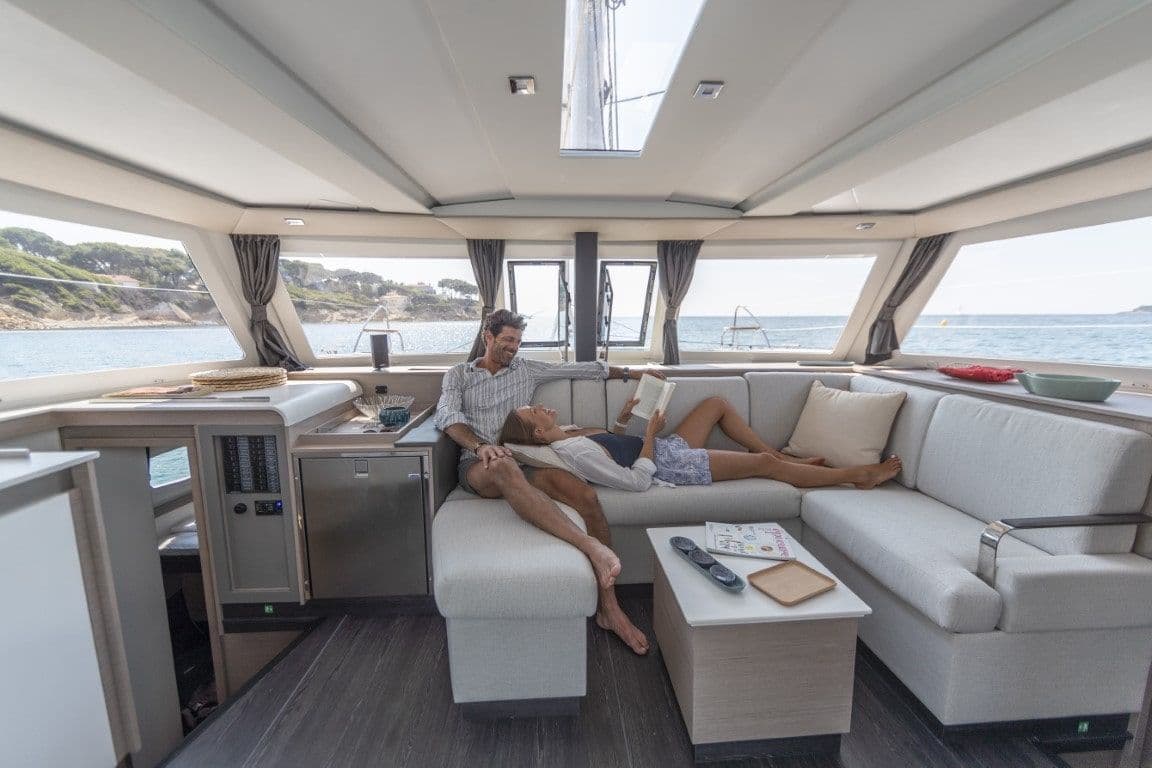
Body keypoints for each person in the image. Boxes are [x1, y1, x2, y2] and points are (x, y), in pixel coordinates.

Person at [434, 309, 659, 655]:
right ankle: (591, 548)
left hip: (526, 459)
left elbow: (581, 368)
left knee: (585, 496)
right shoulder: (459, 375)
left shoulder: (526, 369)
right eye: (507, 340)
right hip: (479, 464)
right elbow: (448, 416)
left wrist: (632, 373)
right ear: (488, 337)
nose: (513, 347)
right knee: (502, 464)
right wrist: (481, 447)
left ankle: (609, 609)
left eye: (518, 341)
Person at [498, 395, 902, 492]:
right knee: (764, 467)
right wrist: (650, 435)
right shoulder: (571, 452)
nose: (541, 406)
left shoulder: (569, 431)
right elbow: (635, 481)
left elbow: (611, 443)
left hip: (663, 447)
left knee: (715, 404)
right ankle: (856, 475)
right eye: (534, 411)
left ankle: (781, 455)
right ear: (537, 433)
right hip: (669, 466)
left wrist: (622, 419)